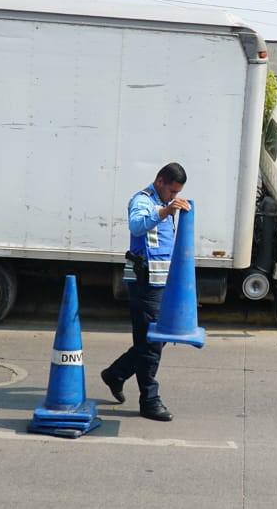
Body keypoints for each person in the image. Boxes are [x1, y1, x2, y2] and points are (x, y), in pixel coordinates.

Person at [100, 162, 190, 422]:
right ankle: (149, 400)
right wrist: (165, 211)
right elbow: (137, 226)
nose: (173, 196)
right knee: (151, 343)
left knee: (154, 339)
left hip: (160, 282)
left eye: (177, 193)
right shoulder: (143, 201)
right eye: (171, 191)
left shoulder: (164, 202)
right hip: (143, 281)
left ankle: (116, 373)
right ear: (160, 181)